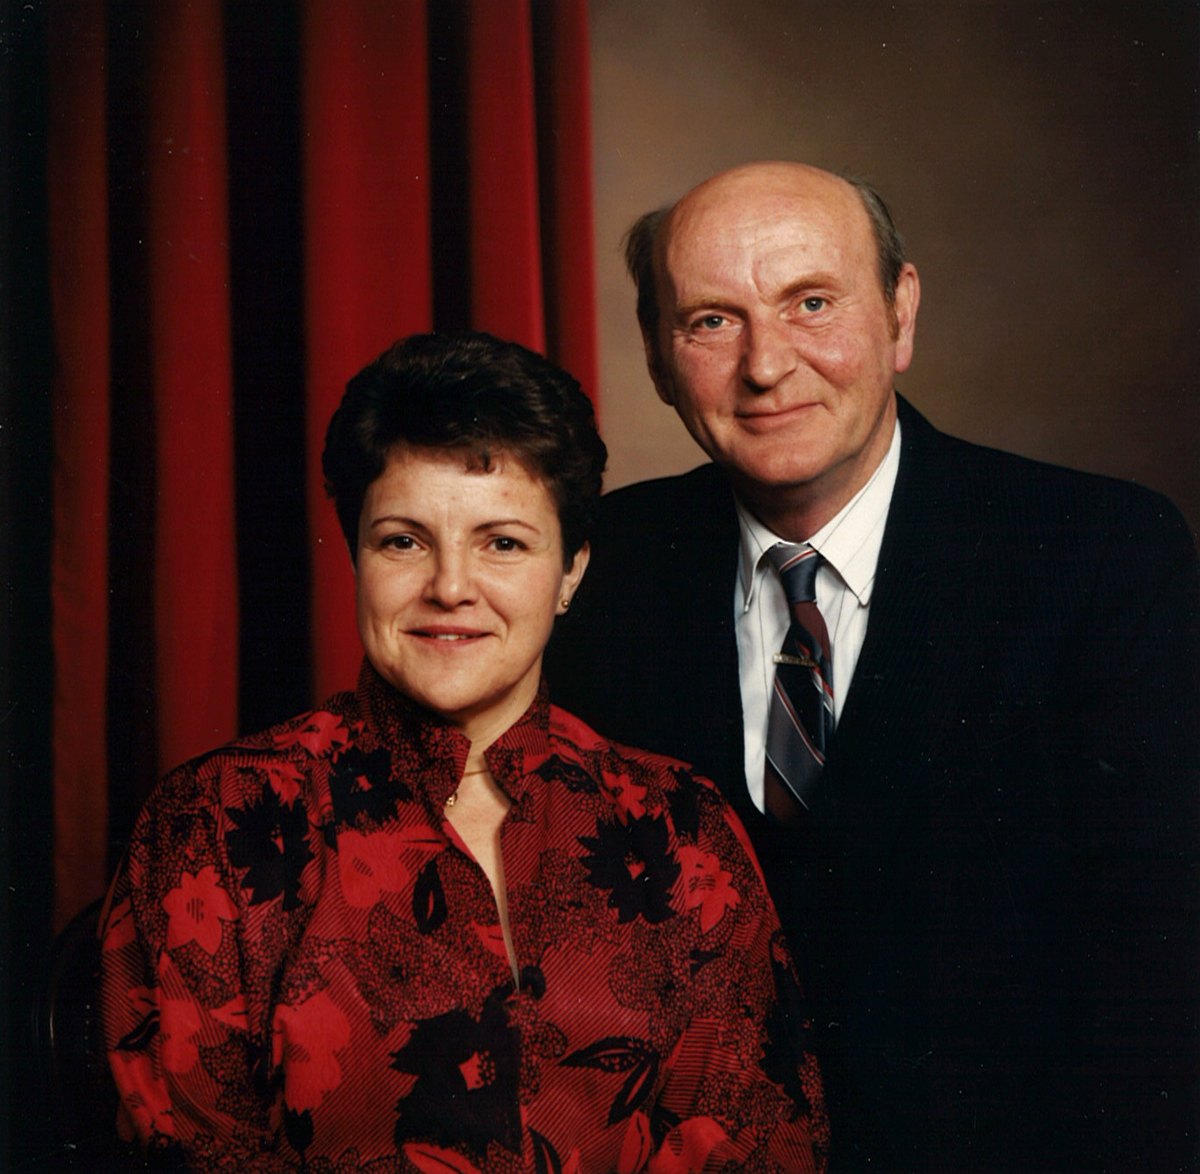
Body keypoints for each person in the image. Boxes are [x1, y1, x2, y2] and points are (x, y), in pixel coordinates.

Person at [545, 162, 1200, 1173]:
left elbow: (1157, 974)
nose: (767, 365)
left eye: (812, 303)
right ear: (656, 355)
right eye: (712, 321)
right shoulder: (597, 565)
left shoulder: (1097, 553)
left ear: (900, 313)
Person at [97, 331, 828, 1173]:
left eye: (502, 543)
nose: (450, 587)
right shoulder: (213, 821)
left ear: (570, 573)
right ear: (355, 555)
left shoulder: (680, 827)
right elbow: (188, 1149)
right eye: (403, 541)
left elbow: (759, 1139)